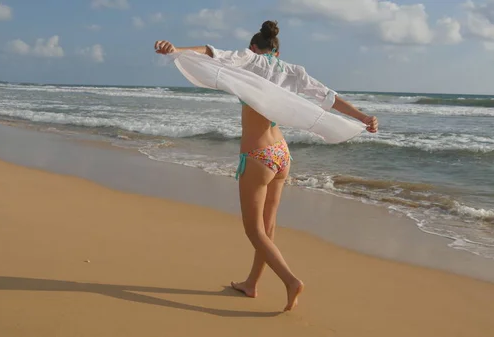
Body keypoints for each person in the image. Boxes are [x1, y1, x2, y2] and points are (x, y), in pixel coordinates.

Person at [154, 20, 378, 312]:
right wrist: (363, 118)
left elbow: (211, 52)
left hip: (258, 155)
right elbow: (328, 97)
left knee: (254, 230)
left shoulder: (249, 59)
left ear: (253, 47)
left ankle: (290, 280)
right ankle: (251, 284)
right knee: (268, 228)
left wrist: (176, 50)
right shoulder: (294, 71)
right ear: (277, 49)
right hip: (281, 154)